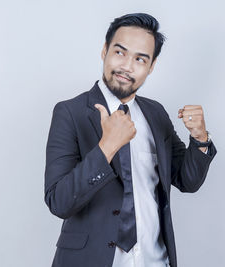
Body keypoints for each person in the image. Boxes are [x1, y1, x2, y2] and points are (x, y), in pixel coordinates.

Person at [44, 13, 217, 267]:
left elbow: (187, 180)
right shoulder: (70, 112)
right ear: (104, 50)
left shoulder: (155, 113)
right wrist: (107, 147)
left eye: (140, 59)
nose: (126, 66)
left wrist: (200, 138)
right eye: (120, 52)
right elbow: (59, 202)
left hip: (154, 260)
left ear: (151, 66)